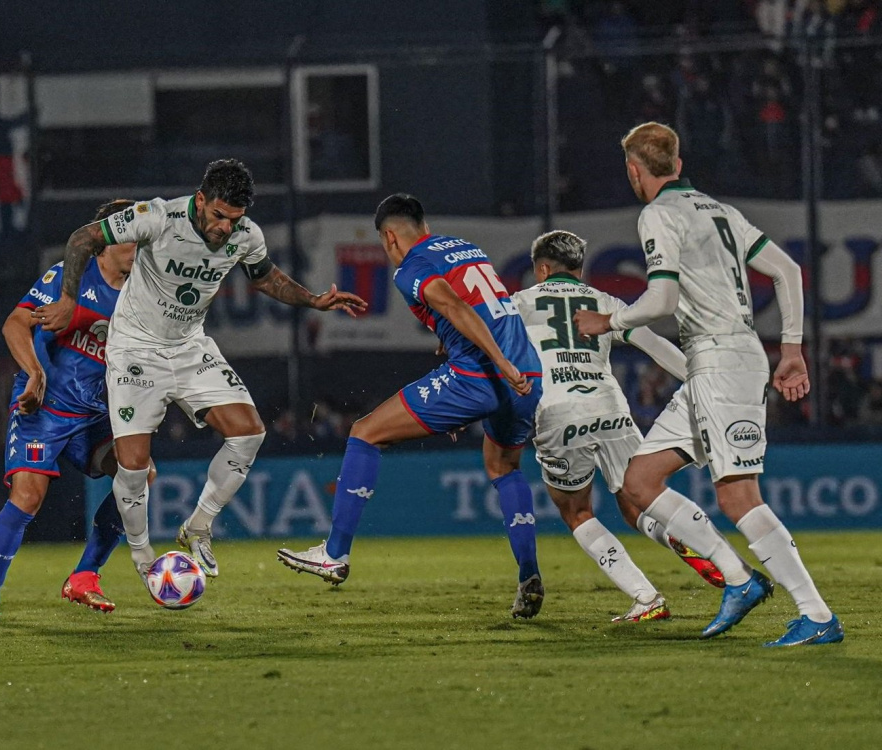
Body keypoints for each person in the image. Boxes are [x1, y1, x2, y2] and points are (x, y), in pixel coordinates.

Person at [574, 122, 843, 646]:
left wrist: (610, 321)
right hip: (712, 364)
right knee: (640, 482)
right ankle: (740, 583)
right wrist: (789, 348)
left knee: (739, 496)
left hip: (724, 363)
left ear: (635, 171)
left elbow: (663, 301)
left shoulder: (657, 214)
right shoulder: (720, 210)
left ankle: (816, 615)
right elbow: (787, 270)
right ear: (676, 164)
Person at [37, 159, 366, 584]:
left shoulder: (246, 235)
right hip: (136, 348)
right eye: (219, 216)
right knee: (133, 468)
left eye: (235, 219)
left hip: (190, 346)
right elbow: (84, 237)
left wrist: (313, 299)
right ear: (200, 201)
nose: (226, 228)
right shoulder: (157, 216)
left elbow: (265, 277)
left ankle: (199, 525)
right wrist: (67, 300)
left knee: (249, 432)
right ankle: (143, 559)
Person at [277, 194, 546, 618]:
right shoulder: (466, 248)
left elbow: (454, 305)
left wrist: (497, 364)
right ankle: (528, 574)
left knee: (364, 432)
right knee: (503, 468)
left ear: (389, 237)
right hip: (529, 375)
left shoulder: (412, 268)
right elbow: (482, 308)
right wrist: (486, 362)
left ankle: (334, 554)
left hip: (486, 373)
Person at [513, 229, 730, 623]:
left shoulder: (518, 305)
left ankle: (646, 597)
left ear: (542, 269)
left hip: (559, 412)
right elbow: (654, 345)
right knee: (637, 502)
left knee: (577, 512)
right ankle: (680, 539)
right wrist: (702, 384)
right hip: (611, 407)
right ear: (579, 269)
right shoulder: (605, 302)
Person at [0, 200, 154, 622]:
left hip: (94, 415)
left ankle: (85, 575)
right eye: (129, 236)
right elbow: (15, 322)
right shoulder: (71, 278)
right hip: (46, 408)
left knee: (141, 475)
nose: (138, 244)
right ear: (104, 243)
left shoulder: (145, 294)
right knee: (28, 496)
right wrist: (33, 371)